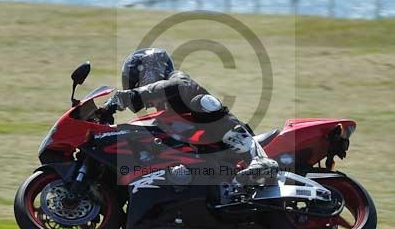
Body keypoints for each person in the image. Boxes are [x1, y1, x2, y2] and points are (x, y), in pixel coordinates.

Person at [104, 48, 278, 184]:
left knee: (203, 103)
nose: (133, 84)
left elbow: (177, 86)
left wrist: (134, 95)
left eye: (135, 79)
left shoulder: (178, 80)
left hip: (226, 146)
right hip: (205, 156)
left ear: (149, 70)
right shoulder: (162, 111)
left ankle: (259, 160)